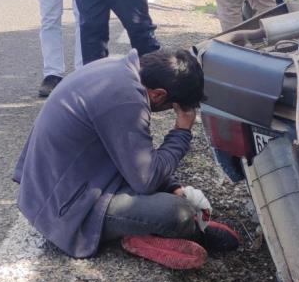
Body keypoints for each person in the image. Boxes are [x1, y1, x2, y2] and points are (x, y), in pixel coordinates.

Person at [13, 48, 239, 268]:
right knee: (177, 214)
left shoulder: (118, 70)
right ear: (158, 94)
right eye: (173, 108)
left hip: (68, 184)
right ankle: (140, 234)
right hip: (64, 208)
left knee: (171, 194)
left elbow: (133, 155)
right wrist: (182, 131)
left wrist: (172, 186)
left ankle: (174, 227)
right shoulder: (125, 99)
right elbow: (146, 179)